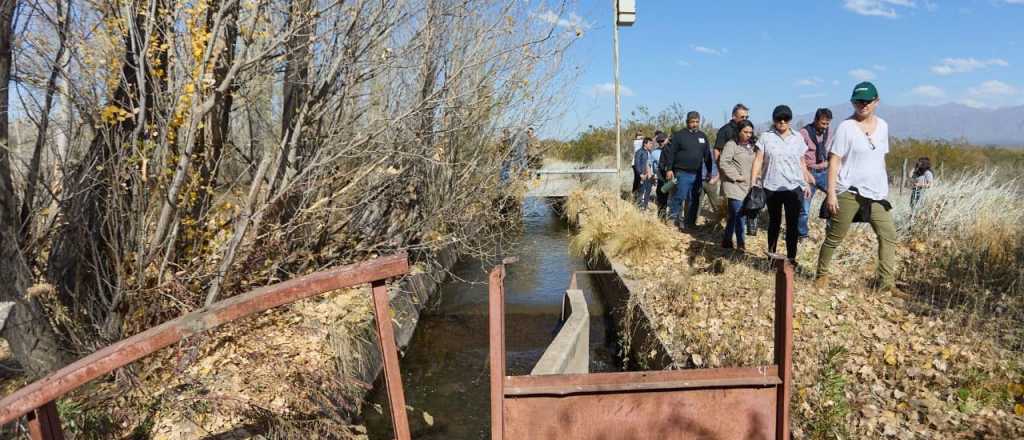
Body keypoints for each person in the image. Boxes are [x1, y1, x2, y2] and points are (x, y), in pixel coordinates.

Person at [815, 82, 900, 293]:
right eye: (857, 101)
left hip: (876, 194)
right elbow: (834, 160)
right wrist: (831, 194)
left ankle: (886, 284)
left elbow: (880, 158)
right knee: (835, 236)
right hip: (849, 191)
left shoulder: (883, 126)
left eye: (867, 101)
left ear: (876, 101)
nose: (862, 105)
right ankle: (821, 276)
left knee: (888, 234)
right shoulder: (846, 127)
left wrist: (884, 186)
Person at [750, 105, 814, 262]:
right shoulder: (766, 137)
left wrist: (806, 182)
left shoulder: (797, 137)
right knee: (774, 223)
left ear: (790, 121)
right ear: (774, 120)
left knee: (792, 224)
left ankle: (791, 259)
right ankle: (771, 257)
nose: (782, 122)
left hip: (793, 187)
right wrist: (753, 182)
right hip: (771, 186)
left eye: (786, 119)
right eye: (779, 119)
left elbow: (801, 162)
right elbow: (758, 160)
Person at [662, 112, 713, 230]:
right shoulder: (679, 135)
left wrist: (709, 171)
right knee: (679, 197)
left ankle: (689, 223)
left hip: (697, 174)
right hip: (682, 173)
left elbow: (707, 155)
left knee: (694, 199)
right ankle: (672, 220)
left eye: (697, 122)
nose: (695, 124)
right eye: (692, 122)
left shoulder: (703, 136)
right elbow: (671, 153)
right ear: (687, 122)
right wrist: (669, 169)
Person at [718, 119, 757, 250]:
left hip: (747, 186)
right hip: (733, 185)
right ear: (739, 131)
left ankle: (727, 241)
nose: (748, 135)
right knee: (739, 213)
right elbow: (724, 162)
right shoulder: (731, 144)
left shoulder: (752, 146)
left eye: (750, 132)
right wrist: (736, 176)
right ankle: (741, 243)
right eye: (745, 132)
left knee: (734, 215)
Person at [798, 108, 834, 238]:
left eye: (827, 123)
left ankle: (831, 232)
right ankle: (802, 235)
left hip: (824, 172)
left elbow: (830, 149)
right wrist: (805, 174)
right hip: (809, 173)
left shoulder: (828, 132)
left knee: (835, 198)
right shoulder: (804, 133)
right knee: (804, 209)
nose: (825, 126)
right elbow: (798, 155)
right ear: (816, 120)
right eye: (823, 123)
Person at [634, 137, 655, 209]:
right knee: (641, 191)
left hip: (649, 175)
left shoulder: (649, 152)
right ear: (645, 144)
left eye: (652, 143)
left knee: (648, 190)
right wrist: (640, 174)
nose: (651, 145)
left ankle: (645, 206)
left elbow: (650, 164)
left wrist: (652, 174)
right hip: (643, 175)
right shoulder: (639, 152)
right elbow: (637, 164)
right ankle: (639, 207)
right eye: (650, 143)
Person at [651, 133, 668, 216]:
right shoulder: (654, 153)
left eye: (662, 141)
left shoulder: (672, 151)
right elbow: (651, 165)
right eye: (659, 141)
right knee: (661, 199)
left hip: (672, 180)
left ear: (666, 140)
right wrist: (653, 176)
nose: (661, 143)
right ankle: (662, 217)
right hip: (661, 179)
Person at [631, 131, 644, 197]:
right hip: (636, 163)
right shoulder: (636, 142)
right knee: (638, 178)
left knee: (637, 178)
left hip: (637, 163)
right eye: (639, 134)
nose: (640, 135)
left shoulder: (638, 141)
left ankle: (635, 192)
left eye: (641, 134)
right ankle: (635, 192)